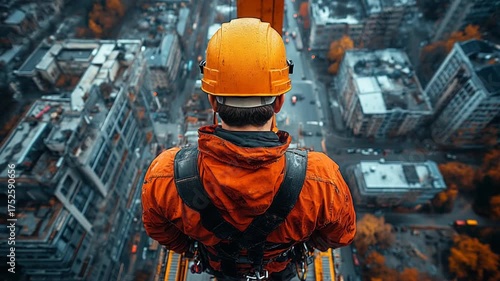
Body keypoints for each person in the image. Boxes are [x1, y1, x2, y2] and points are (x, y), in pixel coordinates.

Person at [142, 18, 356, 281]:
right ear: (279, 101)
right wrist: (302, 247)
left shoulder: (166, 176)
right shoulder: (321, 181)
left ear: (212, 100)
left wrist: (193, 248)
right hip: (277, 269)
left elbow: (157, 227)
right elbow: (341, 233)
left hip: (219, 266)